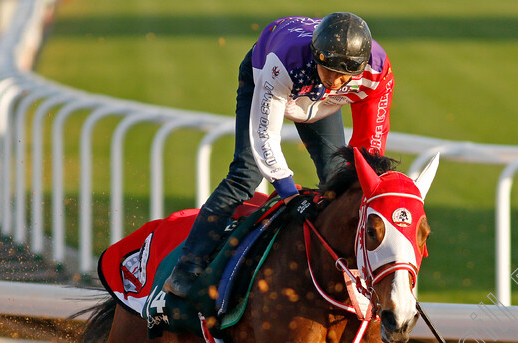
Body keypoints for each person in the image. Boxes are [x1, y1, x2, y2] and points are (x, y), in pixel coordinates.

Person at [164, 12, 394, 297]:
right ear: (315, 55)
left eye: (344, 74)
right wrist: (289, 193)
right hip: (271, 76)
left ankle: (346, 269)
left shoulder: (378, 69)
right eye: (329, 70)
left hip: (315, 98)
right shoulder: (286, 60)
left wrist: (360, 182)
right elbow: (265, 137)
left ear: (361, 67)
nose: (335, 80)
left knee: (341, 180)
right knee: (244, 176)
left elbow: (368, 147)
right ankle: (187, 267)